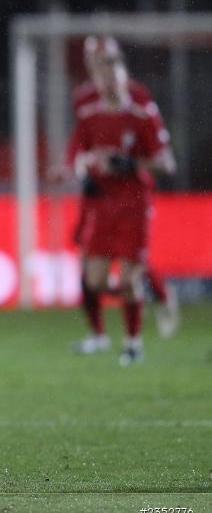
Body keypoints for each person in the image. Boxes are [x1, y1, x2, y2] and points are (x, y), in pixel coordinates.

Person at [63, 36, 176, 366]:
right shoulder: (86, 108)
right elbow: (79, 151)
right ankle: (118, 315)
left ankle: (132, 342)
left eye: (111, 68)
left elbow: (166, 161)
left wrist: (131, 164)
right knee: (95, 279)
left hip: (134, 202)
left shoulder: (141, 110)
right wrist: (80, 172)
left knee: (128, 275)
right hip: (99, 200)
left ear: (123, 73)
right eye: (96, 64)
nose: (108, 80)